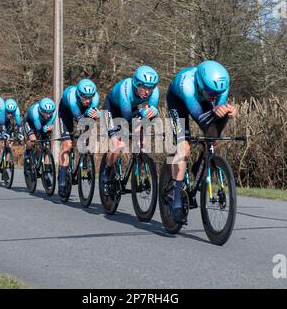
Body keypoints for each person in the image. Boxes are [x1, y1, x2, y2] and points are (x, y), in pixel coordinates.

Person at [167, 60, 238, 224]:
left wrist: (228, 111)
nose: (215, 96)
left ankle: (199, 166)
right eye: (211, 92)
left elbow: (213, 125)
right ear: (200, 83)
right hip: (178, 102)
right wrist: (218, 111)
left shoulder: (219, 87)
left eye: (217, 94)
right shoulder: (188, 85)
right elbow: (199, 116)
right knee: (183, 147)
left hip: (201, 99)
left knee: (213, 140)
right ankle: (176, 198)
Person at [102, 65, 160, 194]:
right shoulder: (125, 89)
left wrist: (148, 118)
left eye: (150, 87)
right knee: (118, 146)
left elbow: (148, 116)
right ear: (135, 84)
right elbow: (127, 119)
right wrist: (140, 116)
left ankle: (140, 171)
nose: (147, 91)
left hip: (130, 109)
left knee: (142, 141)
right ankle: (107, 171)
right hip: (112, 110)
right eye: (144, 87)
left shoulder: (154, 91)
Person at [57, 79, 101, 196]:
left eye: (89, 97)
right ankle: (62, 177)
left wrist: (96, 115)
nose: (87, 100)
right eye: (84, 97)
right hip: (66, 111)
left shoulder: (95, 98)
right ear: (78, 94)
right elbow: (79, 119)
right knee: (68, 145)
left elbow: (89, 119)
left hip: (83, 111)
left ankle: (85, 158)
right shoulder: (72, 97)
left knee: (89, 128)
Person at [24, 97, 57, 187]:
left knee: (46, 144)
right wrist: (45, 129)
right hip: (31, 124)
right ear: (40, 110)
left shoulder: (53, 113)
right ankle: (27, 153)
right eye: (45, 112)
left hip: (43, 125)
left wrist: (50, 128)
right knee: (33, 139)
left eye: (50, 112)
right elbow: (38, 128)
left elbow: (50, 124)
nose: (47, 115)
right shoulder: (35, 111)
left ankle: (46, 172)